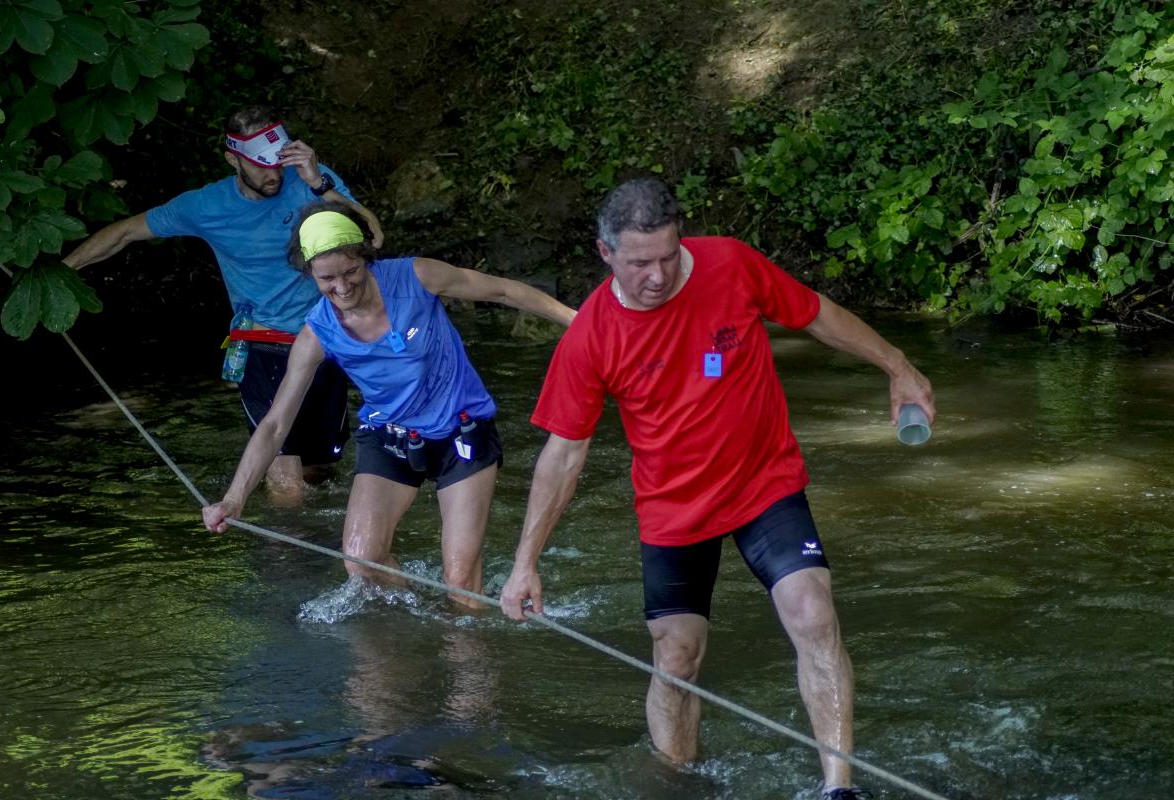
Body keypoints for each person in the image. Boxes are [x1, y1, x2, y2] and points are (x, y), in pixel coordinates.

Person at [498, 178, 934, 800]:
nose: (657, 275)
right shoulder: (591, 335)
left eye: (668, 255)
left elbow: (816, 314)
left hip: (764, 484)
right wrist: (525, 564)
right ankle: (677, 781)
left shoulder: (730, 263)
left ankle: (839, 789)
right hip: (674, 509)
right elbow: (563, 456)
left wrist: (898, 365)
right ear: (605, 252)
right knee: (678, 658)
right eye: (639, 263)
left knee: (814, 614)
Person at [202, 203, 577, 606]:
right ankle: (418, 618)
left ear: (365, 257)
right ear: (309, 273)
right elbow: (276, 424)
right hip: (389, 437)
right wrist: (235, 498)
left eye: (351, 271)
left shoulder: (416, 276)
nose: (342, 288)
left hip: (461, 431)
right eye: (327, 278)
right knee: (361, 563)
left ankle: (467, 637)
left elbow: (502, 290)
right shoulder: (317, 333)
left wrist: (580, 322)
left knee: (460, 581)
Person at [61, 106, 384, 503]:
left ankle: (307, 532)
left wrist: (318, 182)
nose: (273, 174)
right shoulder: (206, 206)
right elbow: (126, 232)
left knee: (319, 468)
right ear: (233, 160)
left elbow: (372, 236)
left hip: (323, 340)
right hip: (262, 343)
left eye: (278, 162)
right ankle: (287, 543)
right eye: (261, 166)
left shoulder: (310, 181)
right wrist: (63, 270)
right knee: (284, 473)